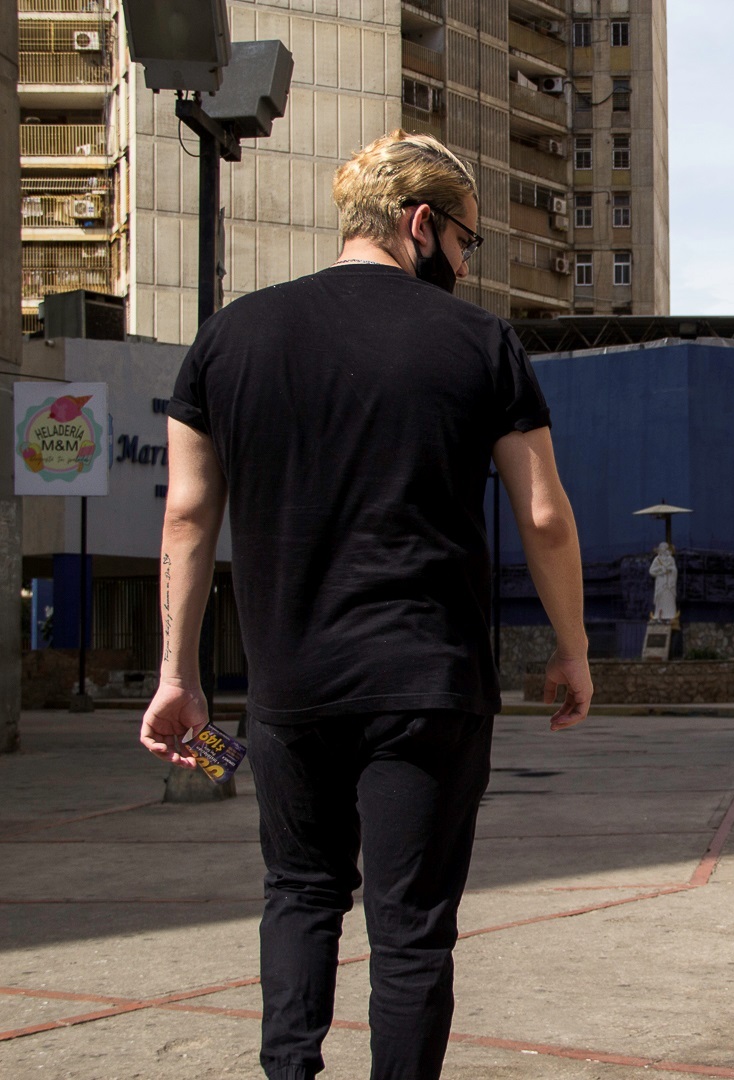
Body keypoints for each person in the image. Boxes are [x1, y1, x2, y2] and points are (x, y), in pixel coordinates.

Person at [137, 130, 593, 1080]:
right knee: (412, 929)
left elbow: (185, 511)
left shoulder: (231, 336)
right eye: (466, 242)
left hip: (291, 687)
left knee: (299, 892)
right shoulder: (479, 342)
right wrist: (572, 647)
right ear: (420, 225)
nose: (466, 265)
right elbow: (544, 514)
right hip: (429, 683)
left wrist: (176, 674)